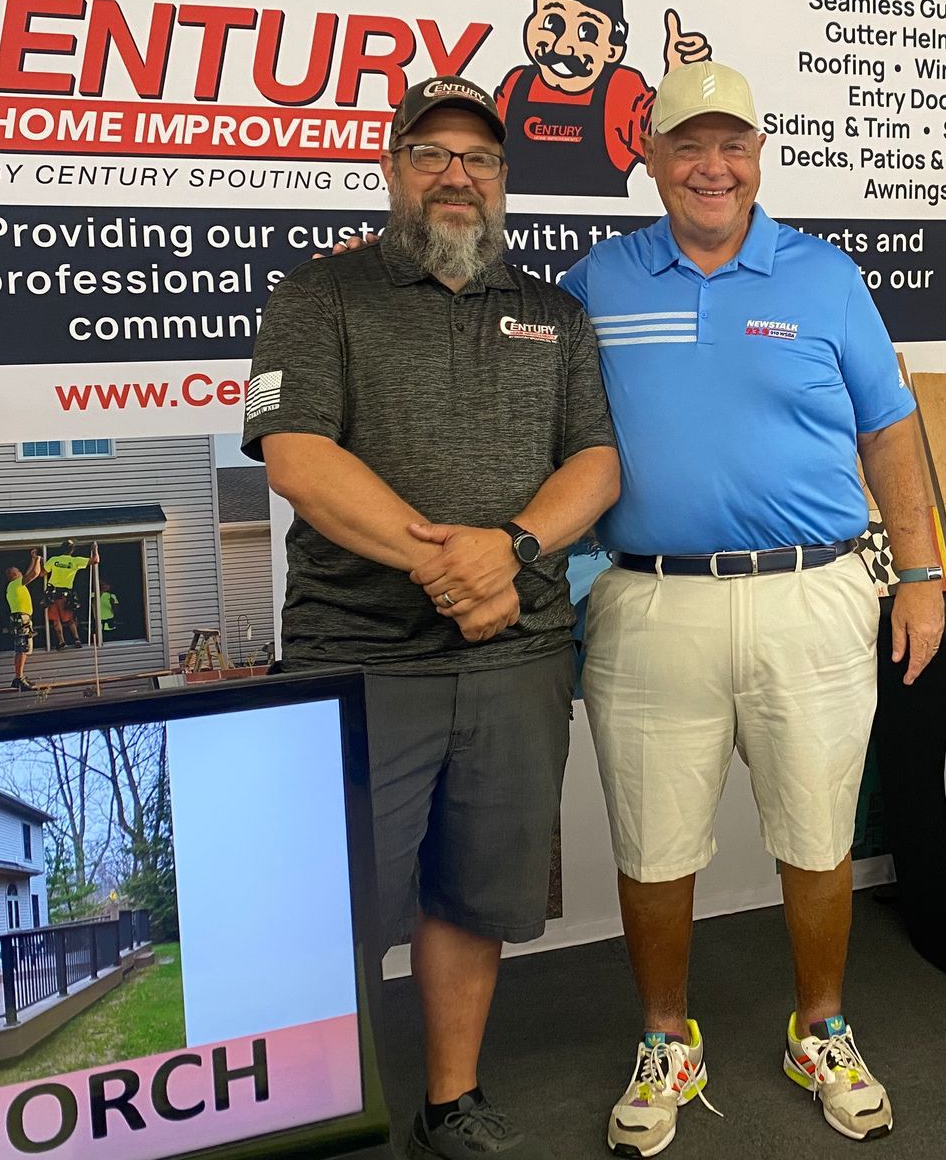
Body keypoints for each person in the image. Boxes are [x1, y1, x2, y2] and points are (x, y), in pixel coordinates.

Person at [559, 60, 945, 1152]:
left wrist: (920, 575)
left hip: (816, 593)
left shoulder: (824, 279)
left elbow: (891, 431)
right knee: (651, 843)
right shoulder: (598, 282)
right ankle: (665, 1039)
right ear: (649, 159)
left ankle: (819, 1026)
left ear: (759, 157)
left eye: (731, 145)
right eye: (687, 145)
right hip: (649, 602)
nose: (710, 167)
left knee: (818, 836)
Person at [244, 73, 620, 1160]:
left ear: (504, 180)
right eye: (432, 154)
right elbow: (297, 460)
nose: (458, 175)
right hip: (358, 657)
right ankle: (322, 1111)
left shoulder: (556, 311)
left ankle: (451, 1100)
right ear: (392, 167)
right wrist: (447, 567)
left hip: (519, 657)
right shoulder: (317, 299)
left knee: (474, 892)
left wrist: (508, 553)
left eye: (481, 160)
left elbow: (596, 460)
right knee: (341, 907)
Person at [493, 0, 711, 197]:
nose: (564, 47)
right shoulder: (516, 85)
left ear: (613, 48)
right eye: (552, 22)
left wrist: (677, 82)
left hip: (606, 232)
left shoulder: (621, 90)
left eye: (587, 30)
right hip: (518, 233)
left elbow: (668, 142)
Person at [42, 540, 92, 648]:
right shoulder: (75, 561)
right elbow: (95, 560)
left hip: (53, 593)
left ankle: (61, 642)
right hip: (65, 594)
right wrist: (95, 548)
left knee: (56, 619)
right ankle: (77, 639)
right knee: (70, 619)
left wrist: (41, 562)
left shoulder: (54, 560)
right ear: (72, 550)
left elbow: (42, 573)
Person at [5, 549, 43, 689]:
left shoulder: (14, 586)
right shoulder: (16, 584)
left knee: (24, 648)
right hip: (21, 619)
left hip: (20, 618)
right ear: (15, 575)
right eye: (18, 571)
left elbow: (28, 573)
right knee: (22, 648)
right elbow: (33, 574)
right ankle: (18, 678)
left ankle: (19, 677)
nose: (21, 572)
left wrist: (32, 559)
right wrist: (39, 559)